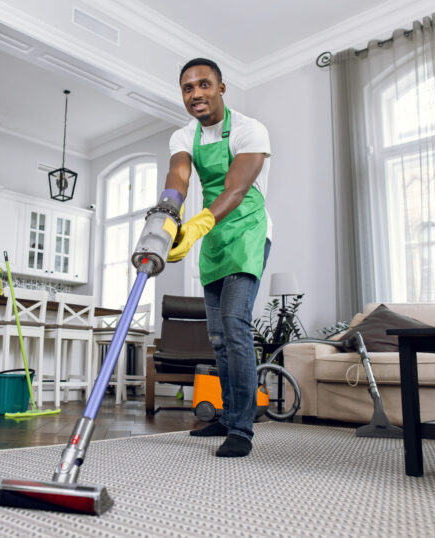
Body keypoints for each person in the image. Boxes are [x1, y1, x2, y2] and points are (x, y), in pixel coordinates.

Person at [163, 57, 272, 457]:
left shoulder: (249, 130)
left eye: (204, 85)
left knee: (235, 325)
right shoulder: (183, 136)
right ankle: (226, 416)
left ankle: (242, 428)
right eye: (188, 88)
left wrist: (195, 226)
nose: (197, 94)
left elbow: (237, 189)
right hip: (212, 239)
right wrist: (168, 215)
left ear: (221, 88)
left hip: (246, 232)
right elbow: (178, 176)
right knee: (219, 340)